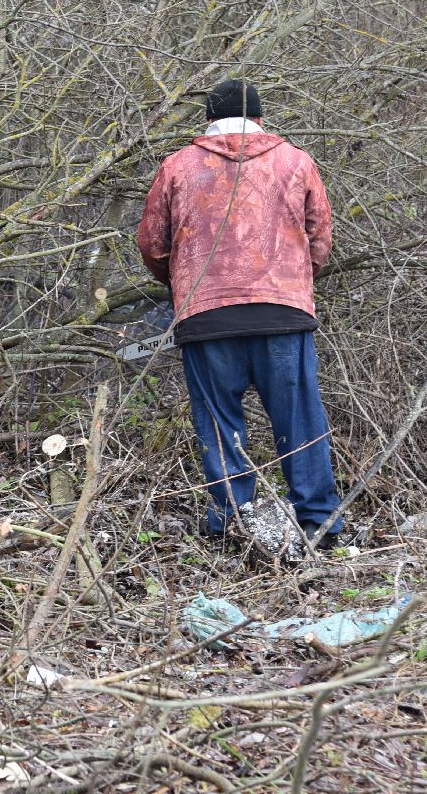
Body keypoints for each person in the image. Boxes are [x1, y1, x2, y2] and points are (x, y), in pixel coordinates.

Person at [135, 79, 343, 553]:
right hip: (282, 313)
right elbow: (321, 236)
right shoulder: (296, 161)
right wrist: (294, 279)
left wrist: (183, 282)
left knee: (219, 423)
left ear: (208, 119)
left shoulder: (178, 166)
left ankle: (233, 522)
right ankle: (319, 522)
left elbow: (152, 243)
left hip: (207, 318)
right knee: (301, 419)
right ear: (261, 118)